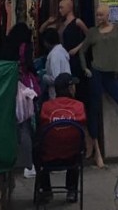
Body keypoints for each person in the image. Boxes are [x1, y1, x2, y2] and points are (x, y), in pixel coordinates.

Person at [77, 5, 118, 159]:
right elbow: (82, 50)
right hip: (97, 73)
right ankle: (97, 151)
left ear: (108, 15)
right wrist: (85, 68)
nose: (98, 17)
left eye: (101, 15)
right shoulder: (93, 32)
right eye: (97, 15)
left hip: (112, 75)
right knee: (94, 108)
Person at [36, 72, 87, 204]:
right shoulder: (79, 106)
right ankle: (72, 189)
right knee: (78, 145)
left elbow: (39, 130)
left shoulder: (46, 107)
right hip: (73, 159)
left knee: (36, 148)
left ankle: (46, 189)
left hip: (48, 159)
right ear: (70, 88)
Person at [4, 23, 40, 180]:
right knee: (25, 124)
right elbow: (30, 64)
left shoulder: (8, 45)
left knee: (13, 124)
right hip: (25, 87)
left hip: (10, 86)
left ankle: (10, 160)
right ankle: (29, 165)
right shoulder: (26, 47)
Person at [42, 27, 71, 99]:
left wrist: (44, 77)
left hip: (56, 93)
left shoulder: (54, 55)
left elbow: (56, 79)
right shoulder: (61, 51)